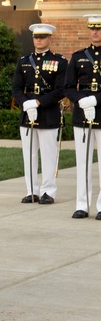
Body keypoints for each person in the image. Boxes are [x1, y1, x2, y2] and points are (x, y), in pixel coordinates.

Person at [12, 23, 66, 205]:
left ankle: (48, 191)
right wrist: (26, 103)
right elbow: (16, 87)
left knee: (48, 154)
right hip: (28, 113)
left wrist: (38, 102)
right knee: (29, 154)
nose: (39, 40)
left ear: (50, 38)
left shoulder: (59, 61)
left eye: (43, 37)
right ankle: (31, 191)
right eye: (36, 37)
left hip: (47, 113)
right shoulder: (24, 61)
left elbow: (60, 90)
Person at [64, 15, 101, 219]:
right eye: (92, 29)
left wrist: (95, 100)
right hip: (82, 115)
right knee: (83, 162)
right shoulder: (78, 57)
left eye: (98, 29)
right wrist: (81, 100)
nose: (95, 32)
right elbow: (68, 87)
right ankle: (82, 204)